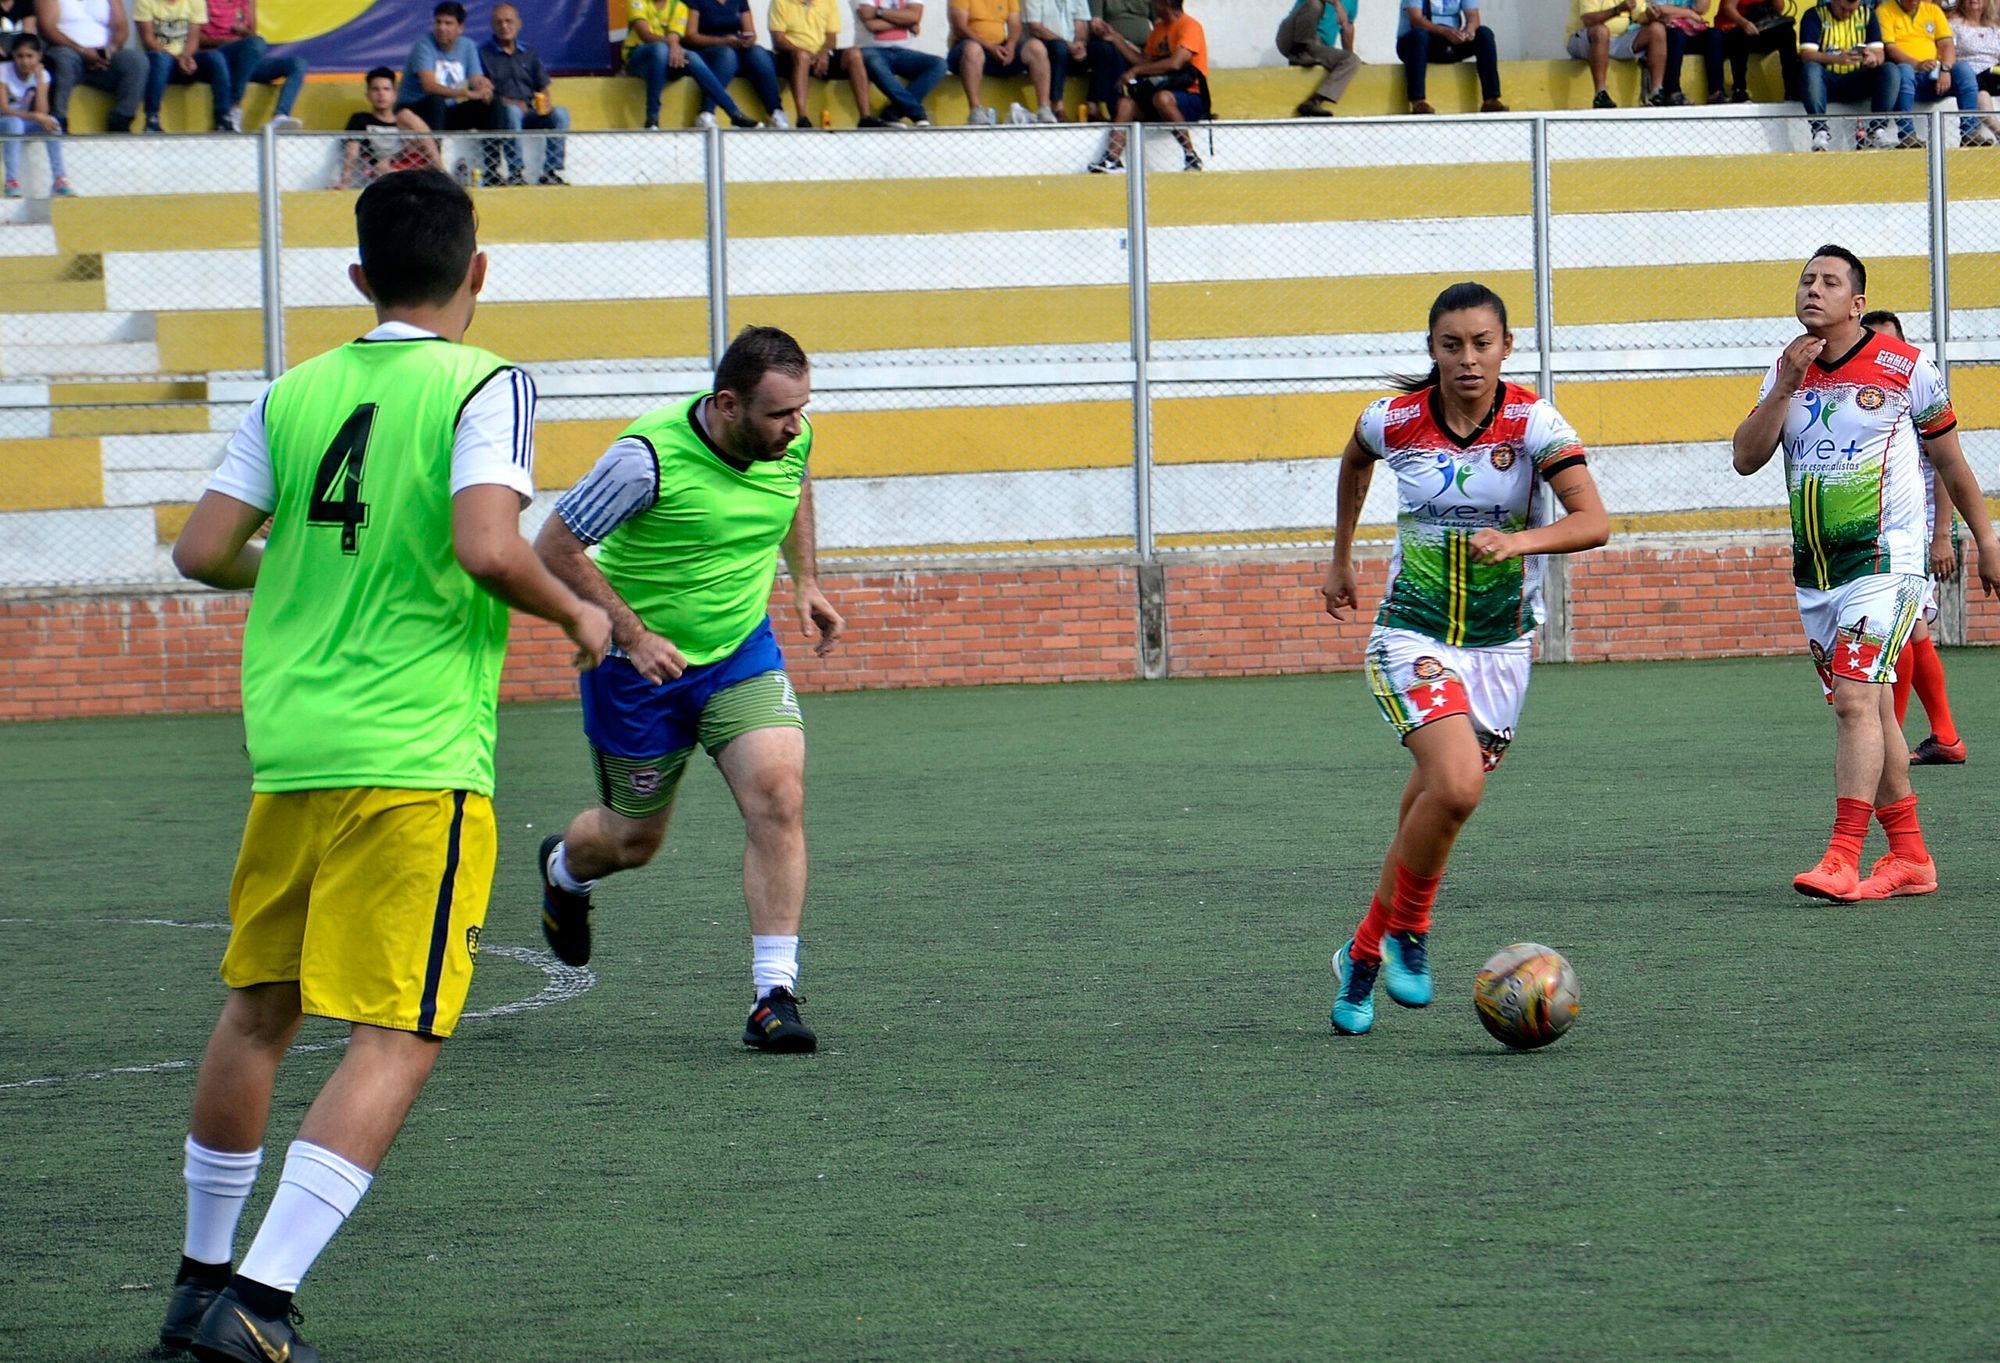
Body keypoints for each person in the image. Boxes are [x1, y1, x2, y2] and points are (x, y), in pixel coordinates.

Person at [154, 167, 611, 1363]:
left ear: (357, 280)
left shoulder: (293, 391)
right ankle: (261, 1298)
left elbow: (202, 550)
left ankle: (199, 1282)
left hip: (292, 748)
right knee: (398, 1030)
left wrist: (311, 576)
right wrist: (577, 613)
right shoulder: (488, 379)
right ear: (478, 271)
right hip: (413, 753)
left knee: (259, 1011)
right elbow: (485, 544)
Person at [533, 325, 843, 1056]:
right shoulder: (645, 460)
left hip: (739, 653)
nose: (794, 428)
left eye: (801, 410)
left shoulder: (790, 437)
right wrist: (634, 636)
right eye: (778, 415)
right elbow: (553, 545)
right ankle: (563, 871)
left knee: (779, 792)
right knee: (631, 840)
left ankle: (774, 995)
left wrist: (806, 582)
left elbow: (795, 484)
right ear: (728, 404)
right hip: (638, 671)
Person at [1319, 282, 1608, 1037]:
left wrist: (1519, 540)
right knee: (1455, 784)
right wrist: (1342, 558)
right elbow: (1355, 461)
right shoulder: (1395, 421)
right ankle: (1413, 929)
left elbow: (1593, 520)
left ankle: (1361, 951)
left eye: (1483, 343)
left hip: (1501, 647)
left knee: (1431, 809)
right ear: (1433, 351)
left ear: (1506, 348)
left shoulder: (1534, 423)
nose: (1468, 358)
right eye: (1452, 345)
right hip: (1411, 634)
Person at [1730, 246, 2000, 902]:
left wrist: (1984, 538)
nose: (1813, 289)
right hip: (1818, 573)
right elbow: (1745, 457)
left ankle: (1842, 856)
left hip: (1889, 564)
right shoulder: (1784, 369)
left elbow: (1952, 463)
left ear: (1857, 304)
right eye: (1805, 279)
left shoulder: (1907, 368)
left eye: (1829, 282)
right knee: (1873, 708)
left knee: (1855, 700)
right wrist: (1787, 386)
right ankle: (1911, 857)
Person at [1860, 309, 1966, 763]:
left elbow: (1946, 467)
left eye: (1888, 342)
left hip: (1913, 532)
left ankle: (1893, 740)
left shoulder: (1910, 386)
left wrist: (1942, 534)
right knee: (1911, 628)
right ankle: (1942, 737)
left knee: (1902, 632)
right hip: (1883, 531)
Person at [1084, 0, 1207, 170]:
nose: (1151, 5)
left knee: (1162, 98)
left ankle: (1191, 156)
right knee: (1126, 104)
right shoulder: (1159, 30)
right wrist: (1116, 38)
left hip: (1189, 95)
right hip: (1158, 94)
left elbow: (1176, 63)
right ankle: (1112, 159)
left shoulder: (1190, 26)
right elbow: (1142, 60)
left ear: (1167, 4)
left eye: (1155, 3)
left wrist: (1135, 71)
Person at [625, 0, 763, 130]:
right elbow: (645, 35)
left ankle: (734, 113)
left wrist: (674, 45)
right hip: (639, 60)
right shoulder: (637, 1)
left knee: (692, 57)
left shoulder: (678, 6)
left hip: (667, 58)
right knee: (660, 50)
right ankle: (652, 117)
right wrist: (673, 45)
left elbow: (675, 36)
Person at [396, 0, 499, 158]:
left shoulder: (468, 46)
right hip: (415, 110)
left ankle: (494, 165)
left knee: (490, 103)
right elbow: (429, 86)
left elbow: (475, 77)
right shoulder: (423, 46)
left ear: (460, 28)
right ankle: (435, 164)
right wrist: (468, 94)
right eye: (438, 22)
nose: (441, 28)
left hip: (445, 112)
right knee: (436, 100)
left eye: (448, 23)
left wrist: (483, 86)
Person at [479, 3, 567, 185]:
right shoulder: (483, 54)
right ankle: (516, 172)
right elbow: (482, 93)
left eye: (509, 21)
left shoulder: (529, 53)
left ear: (519, 24)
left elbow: (542, 85)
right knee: (512, 111)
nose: (504, 26)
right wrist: (511, 103)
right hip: (503, 113)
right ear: (492, 26)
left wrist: (545, 100)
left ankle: (550, 172)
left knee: (560, 114)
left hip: (530, 112)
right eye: (499, 22)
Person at [1797, 0, 1899, 149]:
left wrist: (1873, 59)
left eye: (1852, 10)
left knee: (1890, 70)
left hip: (1857, 80)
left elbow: (1879, 53)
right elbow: (1806, 55)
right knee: (1811, 70)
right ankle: (1820, 131)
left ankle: (1877, 130)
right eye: (1843, 9)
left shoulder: (1868, 15)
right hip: (1826, 82)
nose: (1847, 14)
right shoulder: (1814, 15)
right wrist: (1836, 59)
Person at [1880, 0, 1986, 143]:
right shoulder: (1885, 10)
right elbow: (1890, 48)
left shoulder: (1933, 10)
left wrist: (1945, 68)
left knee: (1964, 69)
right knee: (1904, 71)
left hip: (1934, 74)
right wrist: (1917, 64)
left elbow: (1947, 44)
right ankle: (1907, 135)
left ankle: (1969, 132)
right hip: (1908, 75)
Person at [35, 0, 146, 132]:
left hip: (103, 56)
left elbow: (121, 28)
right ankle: (59, 120)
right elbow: (47, 29)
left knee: (136, 60)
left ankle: (122, 119)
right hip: (67, 51)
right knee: (63, 59)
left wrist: (109, 52)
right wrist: (82, 50)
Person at [197, 0, 306, 132]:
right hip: (219, 58)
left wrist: (244, 33)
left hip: (245, 61)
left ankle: (280, 116)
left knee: (297, 64)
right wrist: (226, 41)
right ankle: (234, 106)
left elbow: (252, 36)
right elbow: (195, 38)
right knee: (255, 43)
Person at [683, 0, 790, 127]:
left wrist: (747, 40)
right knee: (727, 55)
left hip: (735, 45)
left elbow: (751, 32)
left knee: (758, 53)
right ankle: (706, 112)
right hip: (707, 48)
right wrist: (722, 41)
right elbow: (691, 36)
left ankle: (775, 111)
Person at [948, 0, 1055, 123]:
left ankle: (1044, 109)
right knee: (973, 49)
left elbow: (1015, 25)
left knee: (1036, 47)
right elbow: (960, 27)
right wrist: (989, 47)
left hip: (998, 48)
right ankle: (976, 110)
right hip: (965, 49)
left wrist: (1011, 45)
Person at [335, 65, 440, 189]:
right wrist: (345, 182)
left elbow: (421, 150)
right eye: (375, 89)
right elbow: (351, 152)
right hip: (381, 174)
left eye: (386, 89)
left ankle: (441, 171)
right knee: (383, 169)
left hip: (411, 169)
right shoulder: (361, 119)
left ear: (395, 94)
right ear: (368, 95)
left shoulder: (405, 120)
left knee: (406, 114)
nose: (381, 94)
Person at [770, 0, 870, 127]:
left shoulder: (828, 2)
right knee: (802, 56)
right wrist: (805, 52)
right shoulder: (781, 2)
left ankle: (866, 117)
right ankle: (802, 117)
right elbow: (778, 39)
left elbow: (831, 37)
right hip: (792, 54)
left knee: (854, 54)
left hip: (820, 53)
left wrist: (824, 53)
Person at [1397, 0, 1506, 113]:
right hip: (1417, 45)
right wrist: (1444, 31)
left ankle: (1491, 100)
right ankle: (1417, 102)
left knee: (1484, 33)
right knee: (1419, 35)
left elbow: (1473, 16)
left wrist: (1469, 29)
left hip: (1451, 41)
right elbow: (1416, 20)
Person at [1, 32, 75, 197]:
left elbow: (42, 113)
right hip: (4, 121)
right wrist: (36, 117)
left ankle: (59, 179)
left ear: (39, 56)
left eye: (30, 56)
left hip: (21, 122)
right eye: (20, 56)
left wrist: (40, 81)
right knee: (14, 123)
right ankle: (11, 181)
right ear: (13, 55)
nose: (25, 61)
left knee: (53, 122)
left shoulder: (43, 76)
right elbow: (5, 109)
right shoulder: (3, 71)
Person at [850, 0, 946, 124]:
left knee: (938, 64)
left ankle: (894, 112)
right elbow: (872, 26)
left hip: (903, 52)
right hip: (871, 50)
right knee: (874, 63)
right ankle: (916, 111)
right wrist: (906, 22)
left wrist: (878, 12)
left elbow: (915, 16)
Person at [134, 0, 221, 132]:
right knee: (162, 59)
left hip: (185, 60)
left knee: (215, 57)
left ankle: (223, 118)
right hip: (157, 62)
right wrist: (177, 59)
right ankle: (152, 119)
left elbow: (193, 39)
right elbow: (148, 41)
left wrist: (186, 58)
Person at [1568, 0, 1670, 107]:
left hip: (1618, 38)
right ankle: (1600, 93)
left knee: (1657, 29)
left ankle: (1657, 92)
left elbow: (1639, 17)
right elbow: (1588, 21)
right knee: (1601, 31)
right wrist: (1617, 10)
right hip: (1584, 38)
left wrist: (1651, 15)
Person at [1276, 0, 1359, 116]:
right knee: (1315, 3)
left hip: (1317, 46)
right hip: (1292, 37)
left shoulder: (1353, 2)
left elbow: (1347, 27)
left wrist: (1350, 54)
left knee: (1352, 61)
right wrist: (1337, 3)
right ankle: (1299, 52)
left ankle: (1313, 102)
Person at [1715, 0, 1803, 100]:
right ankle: (1739, 89)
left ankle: (1791, 90)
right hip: (1735, 26)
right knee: (1738, 36)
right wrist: (1744, 23)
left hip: (1760, 27)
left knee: (1788, 33)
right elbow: (1728, 8)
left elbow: (1778, 9)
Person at [1024, 0, 1089, 119]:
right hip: (1046, 43)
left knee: (1103, 50)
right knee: (1059, 48)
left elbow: (1081, 23)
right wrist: (1067, 44)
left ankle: (1094, 106)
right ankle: (1057, 106)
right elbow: (1035, 28)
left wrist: (1080, 43)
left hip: (1073, 47)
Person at [1084, 0, 1149, 118]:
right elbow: (1096, 24)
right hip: (1111, 42)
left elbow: (1160, 21)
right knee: (1111, 52)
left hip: (1144, 47)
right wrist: (1124, 42)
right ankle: (1110, 107)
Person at [1952, 0, 2000, 136]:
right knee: (1981, 91)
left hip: (1993, 72)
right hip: (1969, 73)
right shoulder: (1953, 25)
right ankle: (1998, 131)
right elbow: (1949, 52)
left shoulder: (1995, 26)